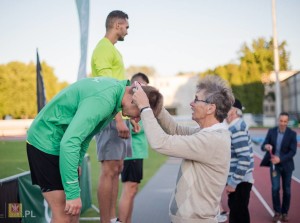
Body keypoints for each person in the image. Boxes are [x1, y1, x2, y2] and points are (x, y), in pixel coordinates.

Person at [26, 77, 163, 223]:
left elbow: (85, 135)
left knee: (73, 214)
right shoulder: (104, 101)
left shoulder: (116, 95)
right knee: (64, 214)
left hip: (59, 141)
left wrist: (76, 162)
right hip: (46, 141)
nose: (137, 120)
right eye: (139, 114)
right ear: (133, 100)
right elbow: (70, 142)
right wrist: (72, 194)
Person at [132, 75, 235, 223]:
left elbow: (161, 142)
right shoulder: (207, 134)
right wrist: (154, 102)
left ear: (210, 108)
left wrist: (144, 108)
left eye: (196, 99)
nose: (191, 103)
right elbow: (174, 129)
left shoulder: (212, 140)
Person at [90, 10, 130, 223]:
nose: (127, 31)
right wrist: (118, 119)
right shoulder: (103, 49)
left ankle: (112, 218)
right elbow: (107, 90)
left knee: (117, 168)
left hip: (117, 115)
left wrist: (130, 115)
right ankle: (106, 220)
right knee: (109, 169)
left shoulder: (112, 51)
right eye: (126, 27)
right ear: (117, 25)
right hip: (109, 118)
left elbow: (120, 88)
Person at [118, 73, 150, 223]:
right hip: (131, 153)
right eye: (142, 85)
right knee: (129, 190)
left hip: (138, 153)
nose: (144, 89)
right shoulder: (129, 104)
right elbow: (139, 127)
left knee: (133, 190)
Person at [260, 112, 297, 222]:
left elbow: (292, 151)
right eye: (281, 121)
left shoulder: (292, 134)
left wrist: (280, 159)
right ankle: (277, 212)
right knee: (275, 189)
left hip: (287, 166)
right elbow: (263, 146)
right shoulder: (271, 131)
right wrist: (266, 146)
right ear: (278, 120)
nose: (283, 123)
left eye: (285, 121)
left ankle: (284, 213)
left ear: (287, 122)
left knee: (287, 190)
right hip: (274, 166)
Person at [225, 99, 254, 223]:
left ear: (232, 111)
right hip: (240, 181)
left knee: (238, 217)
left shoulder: (236, 128)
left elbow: (244, 158)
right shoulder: (236, 126)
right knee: (239, 214)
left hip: (240, 182)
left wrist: (233, 182)